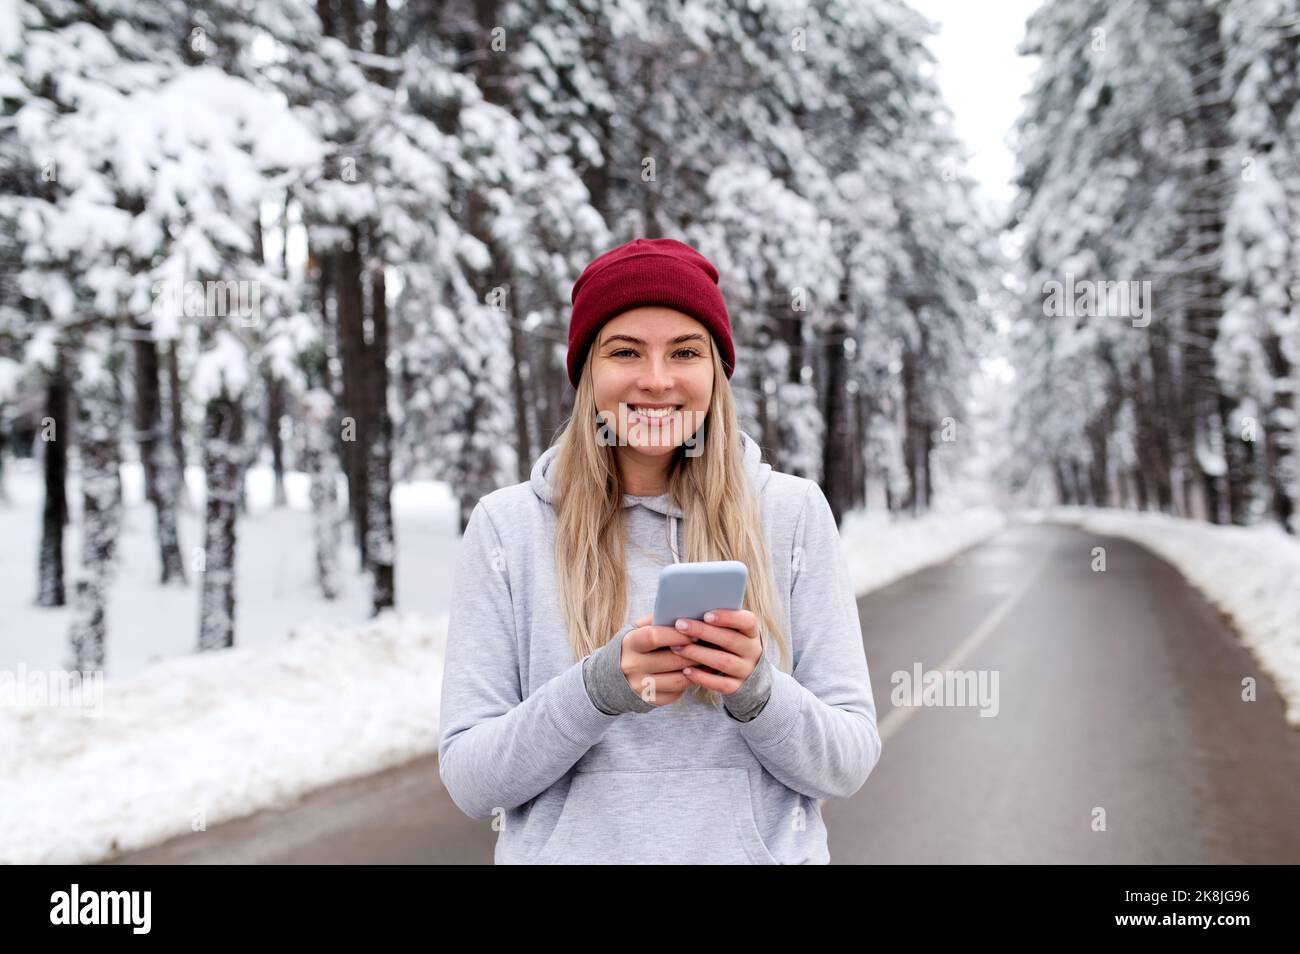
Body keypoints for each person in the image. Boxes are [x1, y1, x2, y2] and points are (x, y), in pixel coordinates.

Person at [437, 236, 882, 864]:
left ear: (715, 372)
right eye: (625, 351)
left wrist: (757, 691)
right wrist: (595, 690)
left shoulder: (791, 513)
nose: (655, 379)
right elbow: (471, 781)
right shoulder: (508, 527)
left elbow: (847, 763)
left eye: (684, 352)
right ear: (589, 372)